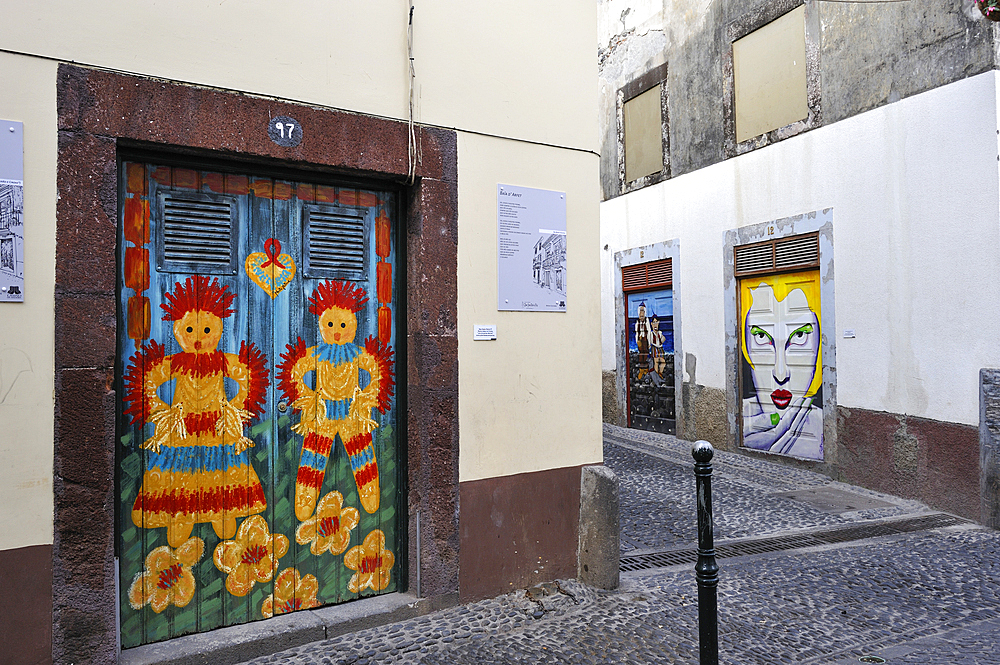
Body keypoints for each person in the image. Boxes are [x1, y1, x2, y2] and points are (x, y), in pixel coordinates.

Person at [123, 276, 269, 547]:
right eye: (190, 330)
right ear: (178, 329)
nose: (198, 339)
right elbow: (146, 380)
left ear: (218, 329)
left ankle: (222, 516)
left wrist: (234, 410)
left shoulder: (223, 362)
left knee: (221, 471)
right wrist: (164, 413)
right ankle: (182, 519)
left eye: (206, 330)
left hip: (217, 430)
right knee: (183, 477)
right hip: (183, 433)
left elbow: (250, 376)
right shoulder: (176, 363)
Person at [278, 280, 394, 520]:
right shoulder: (318, 354)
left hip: (352, 413)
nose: (337, 331)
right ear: (322, 323)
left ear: (353, 323)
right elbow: (296, 370)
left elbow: (378, 370)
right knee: (313, 457)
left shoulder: (356, 354)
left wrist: (366, 398)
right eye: (330, 324)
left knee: (363, 455)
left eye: (343, 324)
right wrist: (309, 399)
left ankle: (370, 497)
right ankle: (304, 503)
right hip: (323, 414)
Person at [741, 278, 823, 460]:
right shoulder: (743, 416)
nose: (780, 374)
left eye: (800, 336)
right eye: (760, 336)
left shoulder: (820, 432)